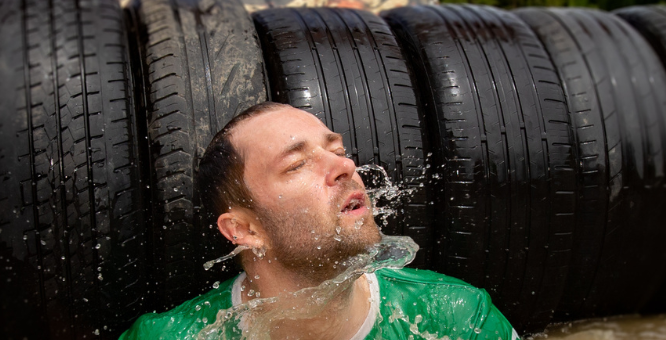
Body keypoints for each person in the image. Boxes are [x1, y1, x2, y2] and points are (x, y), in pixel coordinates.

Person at [120, 102, 519, 340]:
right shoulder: (171, 336)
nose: (345, 166)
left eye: (339, 150)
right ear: (244, 230)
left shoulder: (455, 318)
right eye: (296, 165)